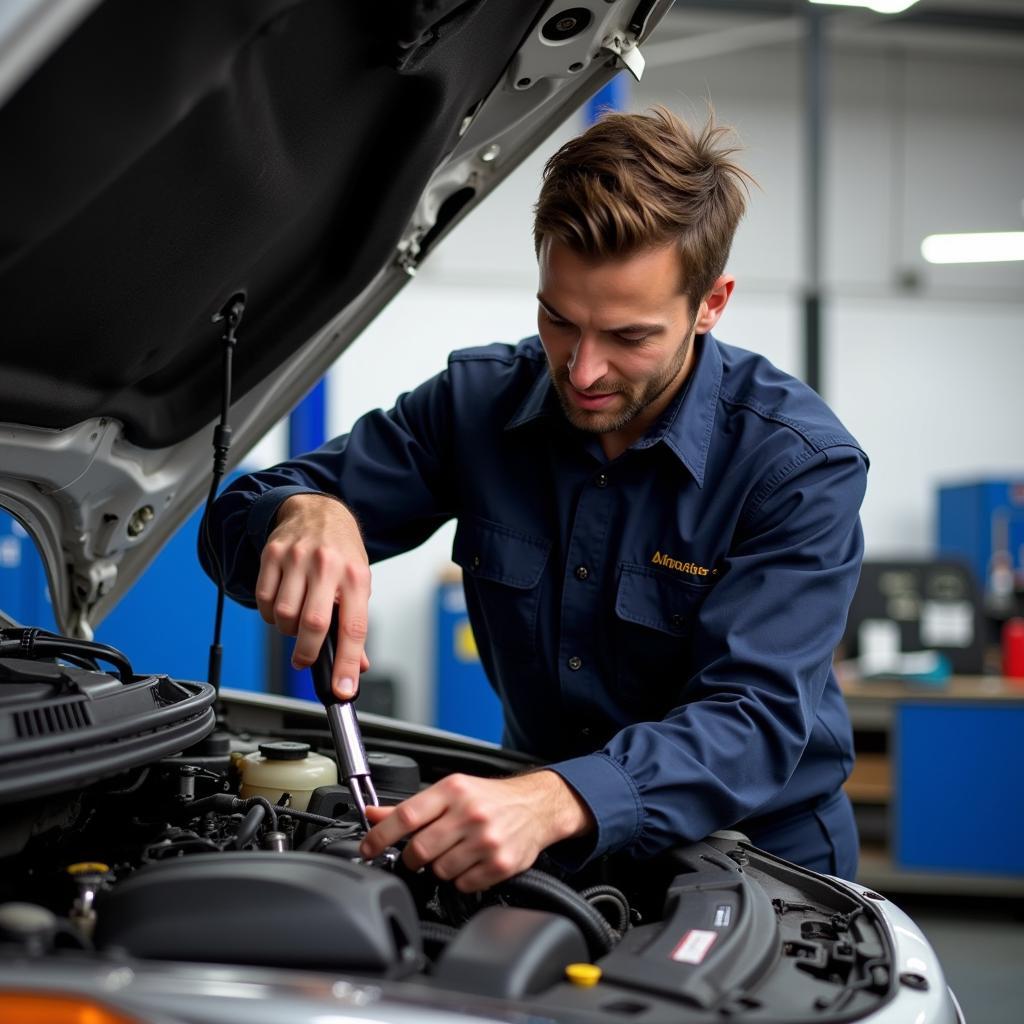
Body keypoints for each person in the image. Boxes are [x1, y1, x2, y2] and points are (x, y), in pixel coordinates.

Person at [200, 107, 868, 892]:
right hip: (541, 839)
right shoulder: (476, 403)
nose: (583, 371)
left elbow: (752, 721)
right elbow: (228, 530)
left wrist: (561, 798)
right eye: (559, 320)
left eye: (630, 336)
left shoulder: (795, 464)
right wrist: (300, 511)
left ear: (711, 303)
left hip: (760, 860)